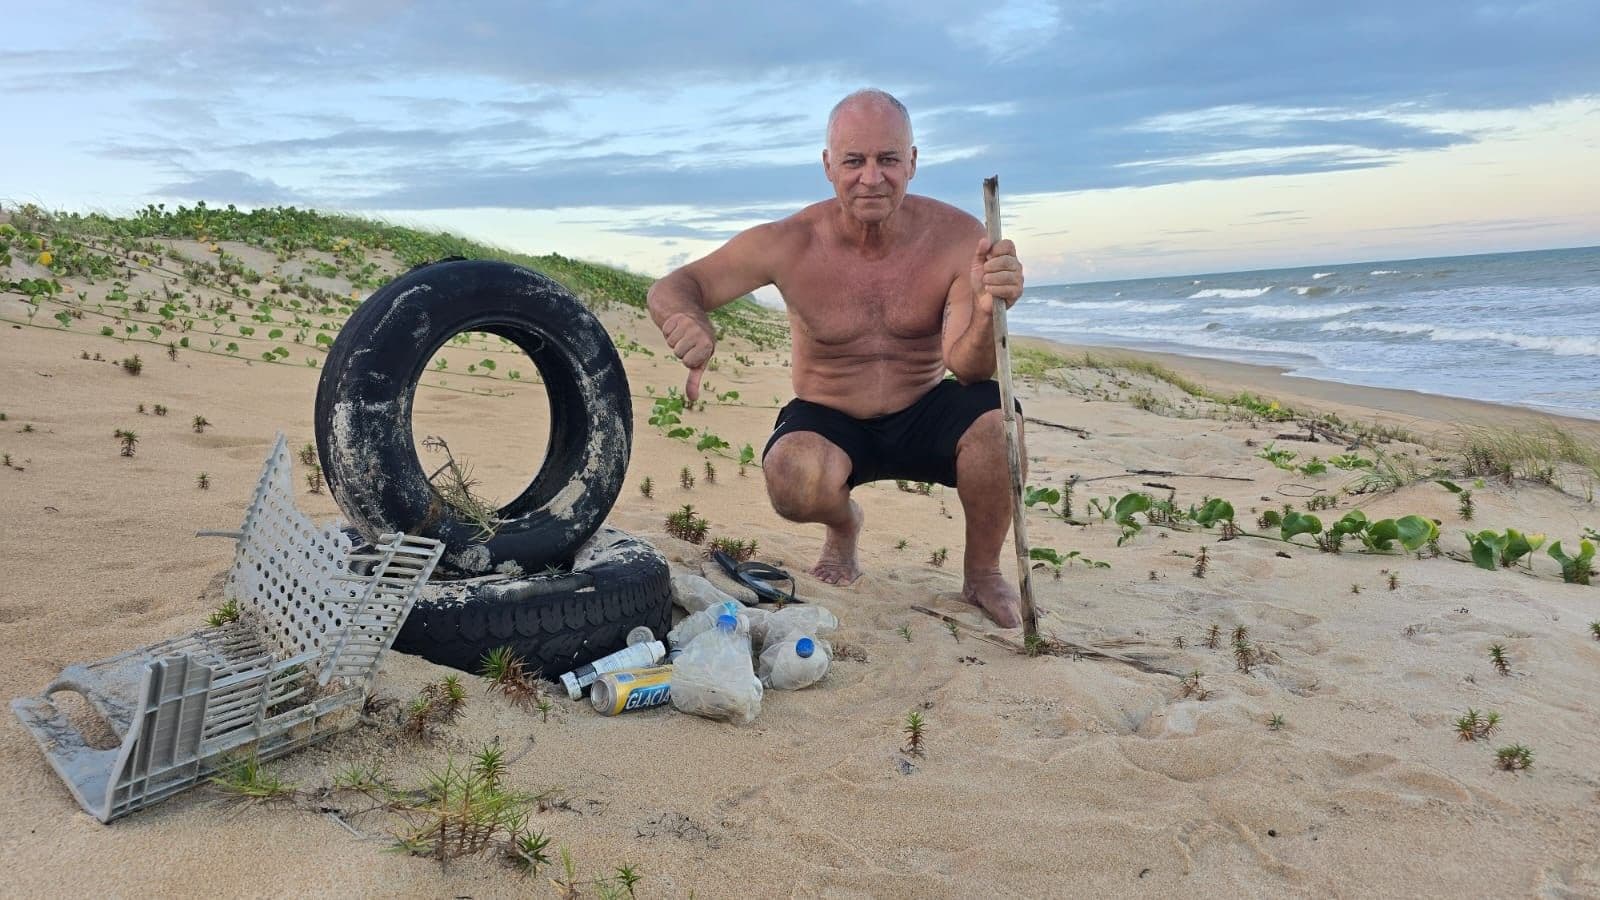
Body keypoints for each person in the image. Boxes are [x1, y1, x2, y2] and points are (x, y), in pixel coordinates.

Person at [646, 88, 1027, 628]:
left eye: (888, 159)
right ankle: (844, 525)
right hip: (830, 415)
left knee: (1000, 424)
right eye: (854, 161)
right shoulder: (790, 241)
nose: (872, 177)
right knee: (791, 479)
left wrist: (989, 310)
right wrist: (687, 320)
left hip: (923, 406)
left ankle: (982, 572)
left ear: (912, 161)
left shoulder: (959, 237)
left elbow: (968, 368)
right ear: (829, 166)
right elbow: (676, 285)